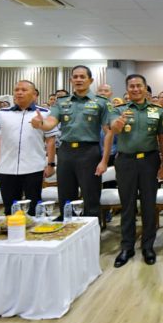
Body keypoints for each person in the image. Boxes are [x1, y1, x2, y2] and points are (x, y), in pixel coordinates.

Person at [31, 66, 112, 218]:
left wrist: (104, 160)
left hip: (89, 153)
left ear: (91, 80)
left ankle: (91, 239)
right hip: (66, 153)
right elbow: (50, 123)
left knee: (91, 197)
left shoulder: (101, 102)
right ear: (71, 80)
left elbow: (109, 132)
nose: (78, 80)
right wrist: (40, 123)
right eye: (75, 77)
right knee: (66, 197)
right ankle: (69, 234)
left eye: (82, 77)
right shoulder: (61, 102)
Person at [109, 74, 163, 267]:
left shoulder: (157, 111)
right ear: (127, 89)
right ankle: (126, 247)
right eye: (131, 86)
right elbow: (113, 130)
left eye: (138, 86)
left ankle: (148, 246)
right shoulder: (118, 110)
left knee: (149, 205)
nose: (135, 89)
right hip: (125, 162)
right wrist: (118, 124)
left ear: (145, 89)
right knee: (127, 206)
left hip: (150, 161)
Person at [0, 80, 57, 216]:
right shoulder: (1, 113)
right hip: (7, 168)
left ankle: (33, 236)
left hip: (33, 168)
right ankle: (12, 235)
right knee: (10, 208)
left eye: (24, 90)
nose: (19, 92)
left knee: (34, 208)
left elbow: (51, 140)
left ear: (34, 94)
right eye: (16, 90)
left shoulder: (45, 113)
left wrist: (51, 164)